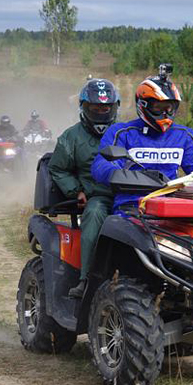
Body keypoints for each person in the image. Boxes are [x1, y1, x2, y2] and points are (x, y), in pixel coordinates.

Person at [92, 66, 193, 214]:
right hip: (131, 207)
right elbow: (101, 165)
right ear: (143, 104)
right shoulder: (122, 133)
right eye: (159, 107)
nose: (164, 112)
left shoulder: (184, 136)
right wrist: (124, 177)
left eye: (169, 107)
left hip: (171, 208)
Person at [48, 78, 120, 298]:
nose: (101, 112)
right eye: (95, 108)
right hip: (98, 198)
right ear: (85, 107)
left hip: (131, 196)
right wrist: (76, 191)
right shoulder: (71, 137)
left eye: (106, 108)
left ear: (114, 107)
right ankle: (86, 279)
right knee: (94, 215)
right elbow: (58, 169)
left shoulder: (124, 132)